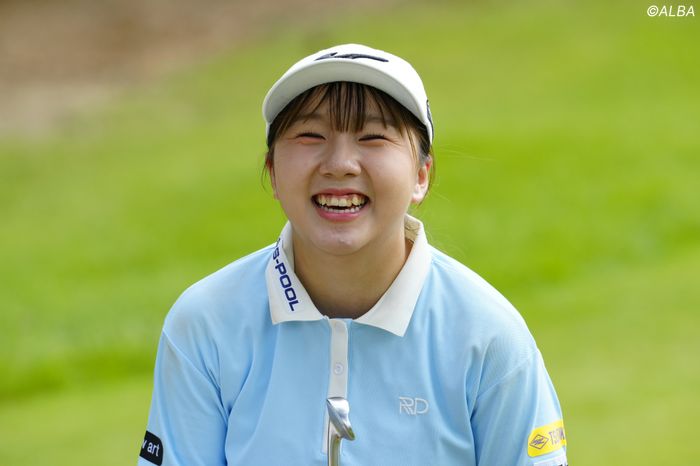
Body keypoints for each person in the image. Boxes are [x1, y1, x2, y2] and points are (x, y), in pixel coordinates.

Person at [138, 43, 568, 466]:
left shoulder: (487, 334)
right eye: (310, 135)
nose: (340, 163)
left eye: (373, 137)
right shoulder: (205, 323)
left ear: (421, 175)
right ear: (272, 172)